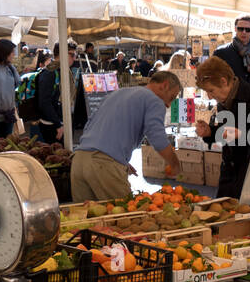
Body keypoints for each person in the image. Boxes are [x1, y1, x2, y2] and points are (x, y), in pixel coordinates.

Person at [70, 71, 182, 201]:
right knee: (127, 217)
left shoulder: (117, 93)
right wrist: (175, 164)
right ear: (164, 85)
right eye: (172, 97)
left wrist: (118, 159)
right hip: (103, 164)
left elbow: (90, 125)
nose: (168, 105)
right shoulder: (154, 100)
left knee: (86, 218)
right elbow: (157, 137)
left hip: (79, 160)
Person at [194, 56, 250, 200]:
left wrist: (241, 134)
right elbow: (227, 133)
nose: (210, 96)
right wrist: (210, 132)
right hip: (230, 176)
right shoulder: (224, 101)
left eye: (211, 90)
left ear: (224, 81)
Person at [213, 16, 250, 96]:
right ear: (235, 29)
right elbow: (213, 79)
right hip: (229, 104)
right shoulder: (221, 53)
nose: (244, 32)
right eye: (240, 29)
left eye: (248, 30)